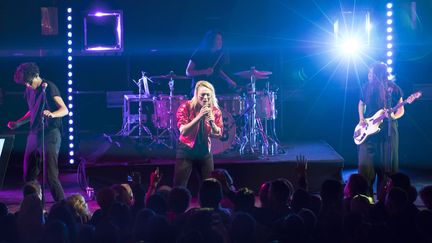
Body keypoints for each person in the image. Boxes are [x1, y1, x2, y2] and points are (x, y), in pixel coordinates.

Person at [8, 62, 68, 202]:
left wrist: (52, 114)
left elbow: (65, 110)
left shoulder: (49, 87)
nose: (27, 86)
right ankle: (32, 203)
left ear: (36, 76)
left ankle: (63, 205)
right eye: (25, 84)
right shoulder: (29, 89)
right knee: (28, 173)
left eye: (29, 82)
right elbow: (32, 110)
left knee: (50, 175)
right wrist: (19, 122)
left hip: (51, 133)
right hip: (34, 133)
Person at [357, 62, 404, 196]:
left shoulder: (393, 89)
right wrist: (361, 118)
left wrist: (393, 115)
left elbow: (401, 110)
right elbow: (361, 104)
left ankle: (385, 199)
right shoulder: (366, 87)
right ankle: (366, 199)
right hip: (369, 131)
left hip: (387, 131)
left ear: (379, 74)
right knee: (365, 167)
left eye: (371, 73)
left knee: (386, 168)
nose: (369, 75)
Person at [174, 80, 223, 187]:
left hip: (204, 151)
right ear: (196, 95)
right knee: (179, 186)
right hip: (186, 149)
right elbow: (183, 131)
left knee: (209, 186)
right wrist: (199, 116)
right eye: (202, 95)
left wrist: (212, 123)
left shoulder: (215, 111)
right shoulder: (185, 107)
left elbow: (218, 133)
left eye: (208, 95)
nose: (205, 98)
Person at [186, 30, 237, 95]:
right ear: (211, 41)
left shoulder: (218, 54)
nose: (220, 42)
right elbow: (188, 72)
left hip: (213, 87)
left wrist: (229, 80)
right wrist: (205, 71)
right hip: (199, 88)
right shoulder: (199, 53)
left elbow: (218, 70)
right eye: (218, 39)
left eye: (221, 40)